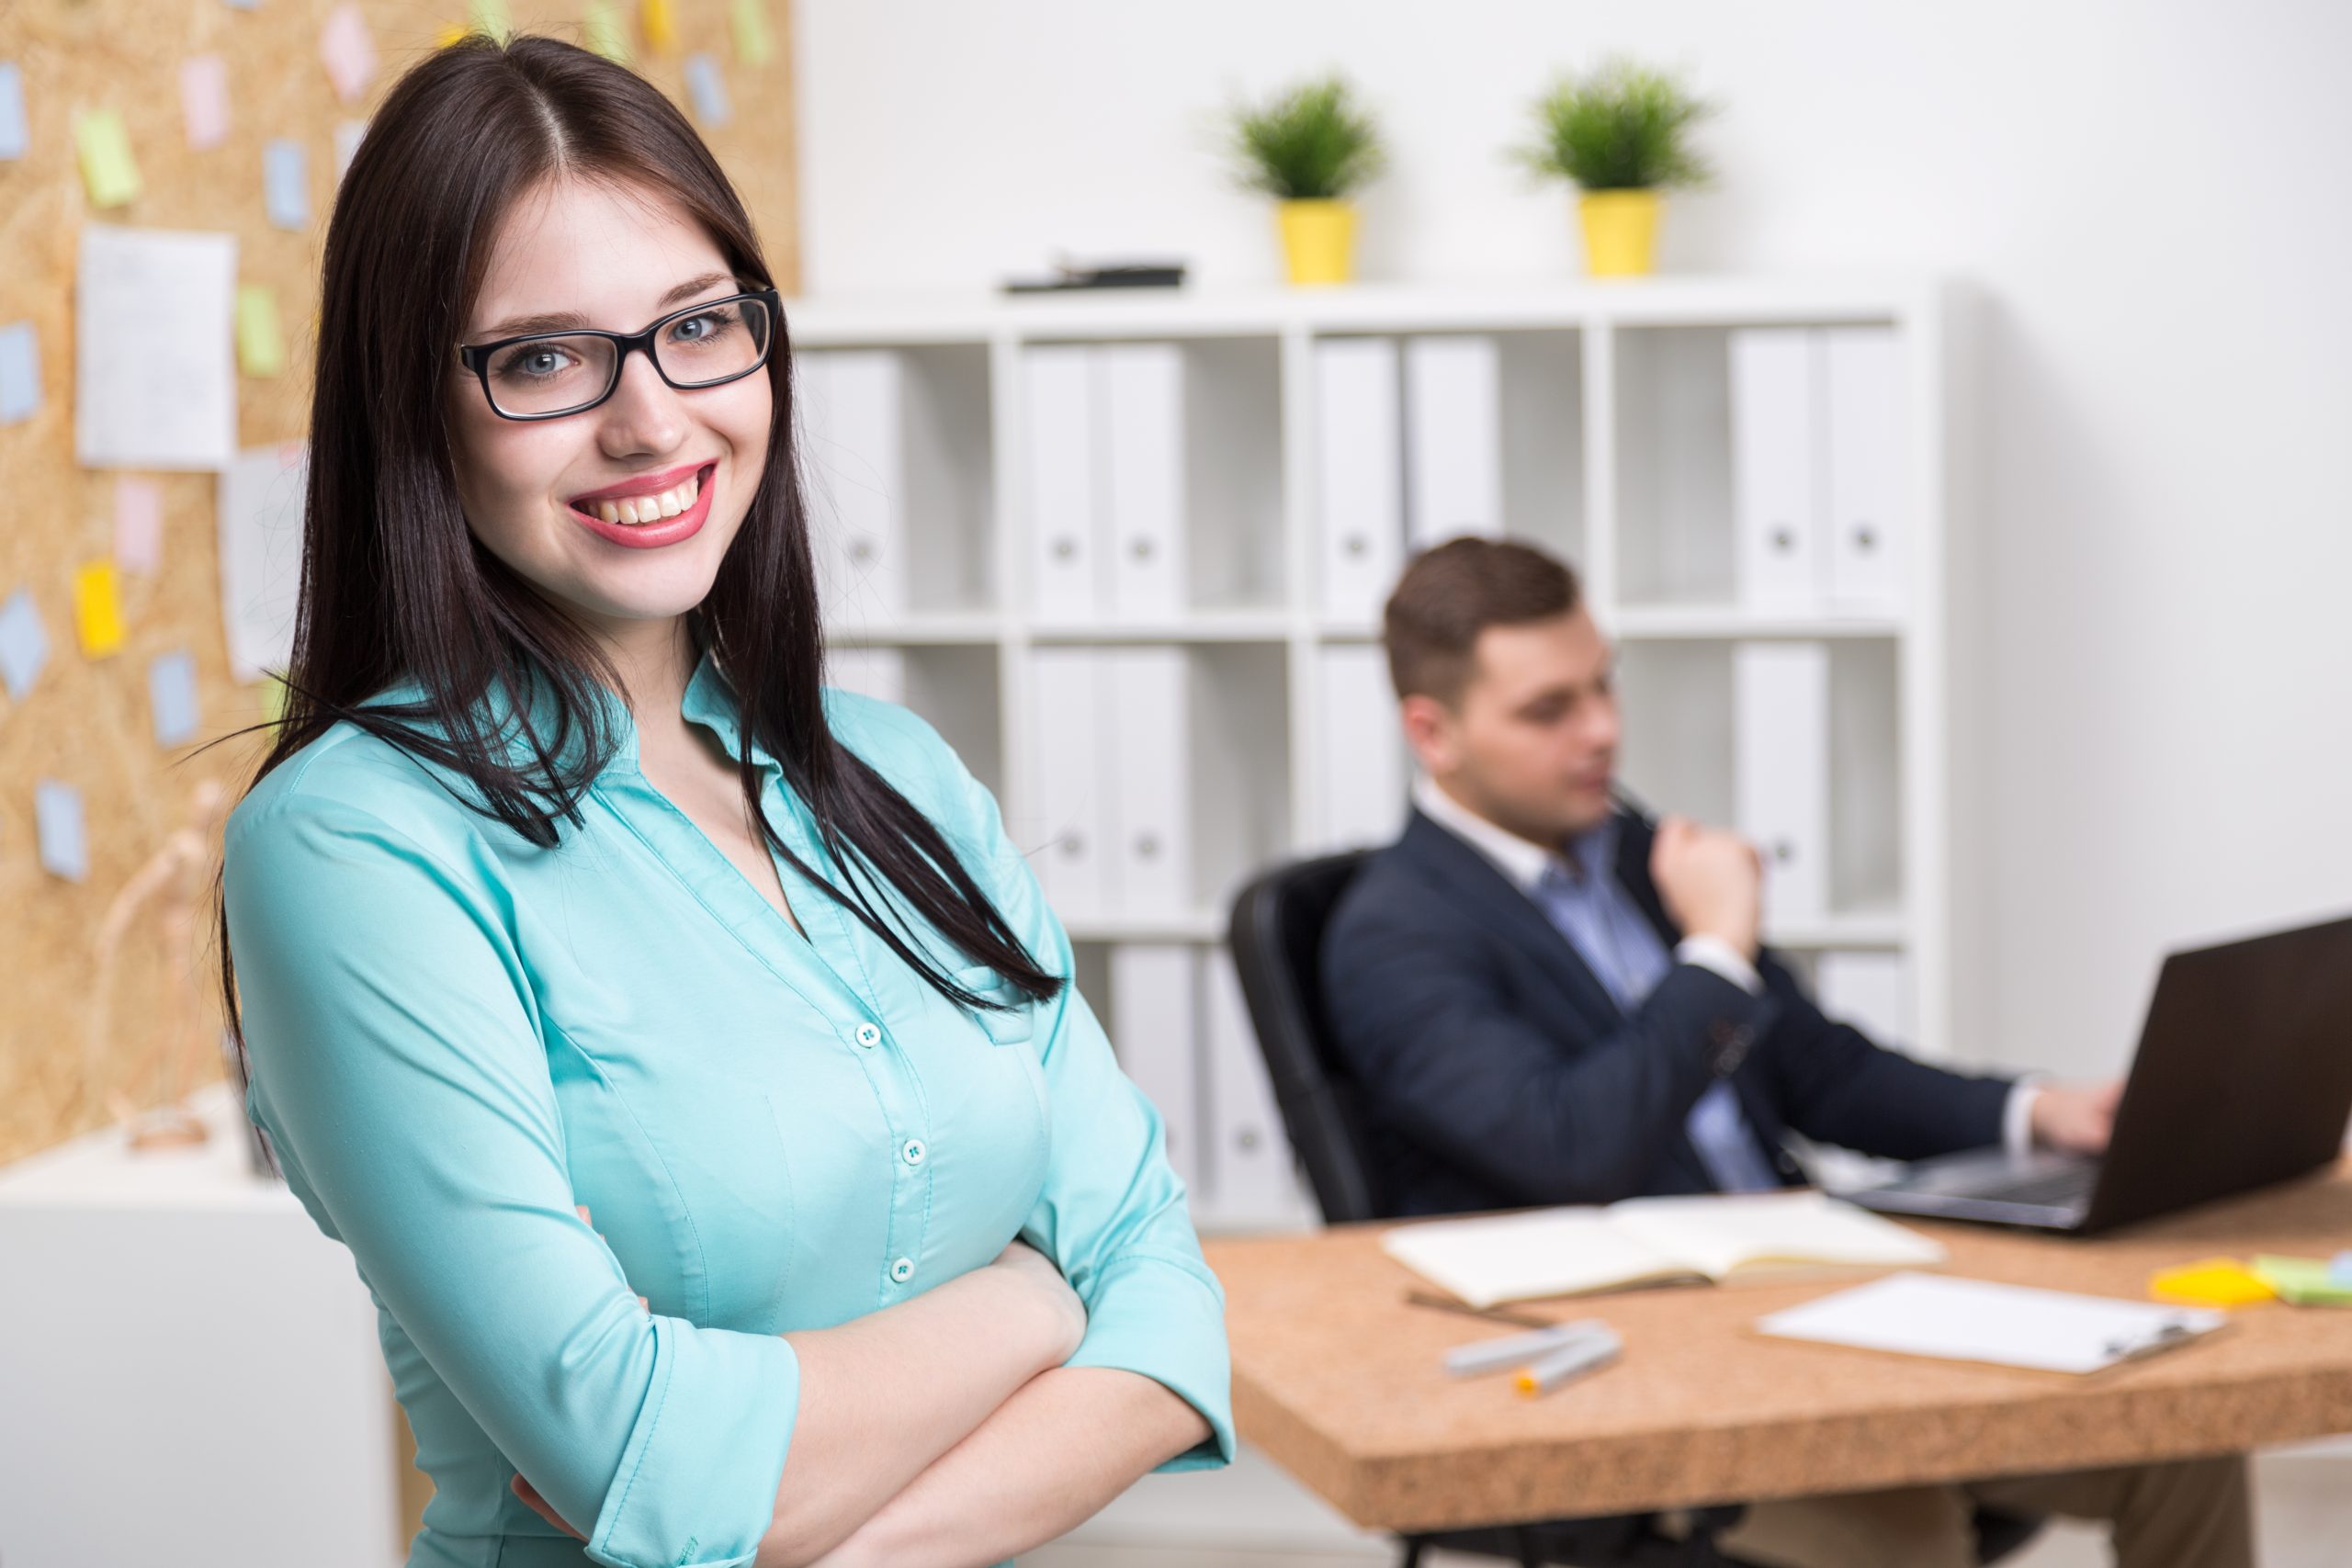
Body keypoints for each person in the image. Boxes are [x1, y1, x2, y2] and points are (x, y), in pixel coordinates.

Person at [211, 36, 1228, 1568]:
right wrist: (1038, 1294)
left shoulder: (897, 777)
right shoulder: (353, 847)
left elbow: (1167, 1304)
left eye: (698, 328)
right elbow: (633, 1450)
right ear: (415, 408)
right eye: (543, 358)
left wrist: (814, 1526)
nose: (652, 422)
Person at [1319, 536, 2249, 1568]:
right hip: (1635, 1366)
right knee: (1899, 1528)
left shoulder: (1636, 860)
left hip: (1809, 1302)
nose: (1603, 732)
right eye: (1550, 710)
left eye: (1603, 687)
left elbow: (1823, 1072)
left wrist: (2035, 1111)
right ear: (1432, 733)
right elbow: (1565, 1145)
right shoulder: (1392, 934)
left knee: (2183, 1431)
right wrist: (1715, 953)